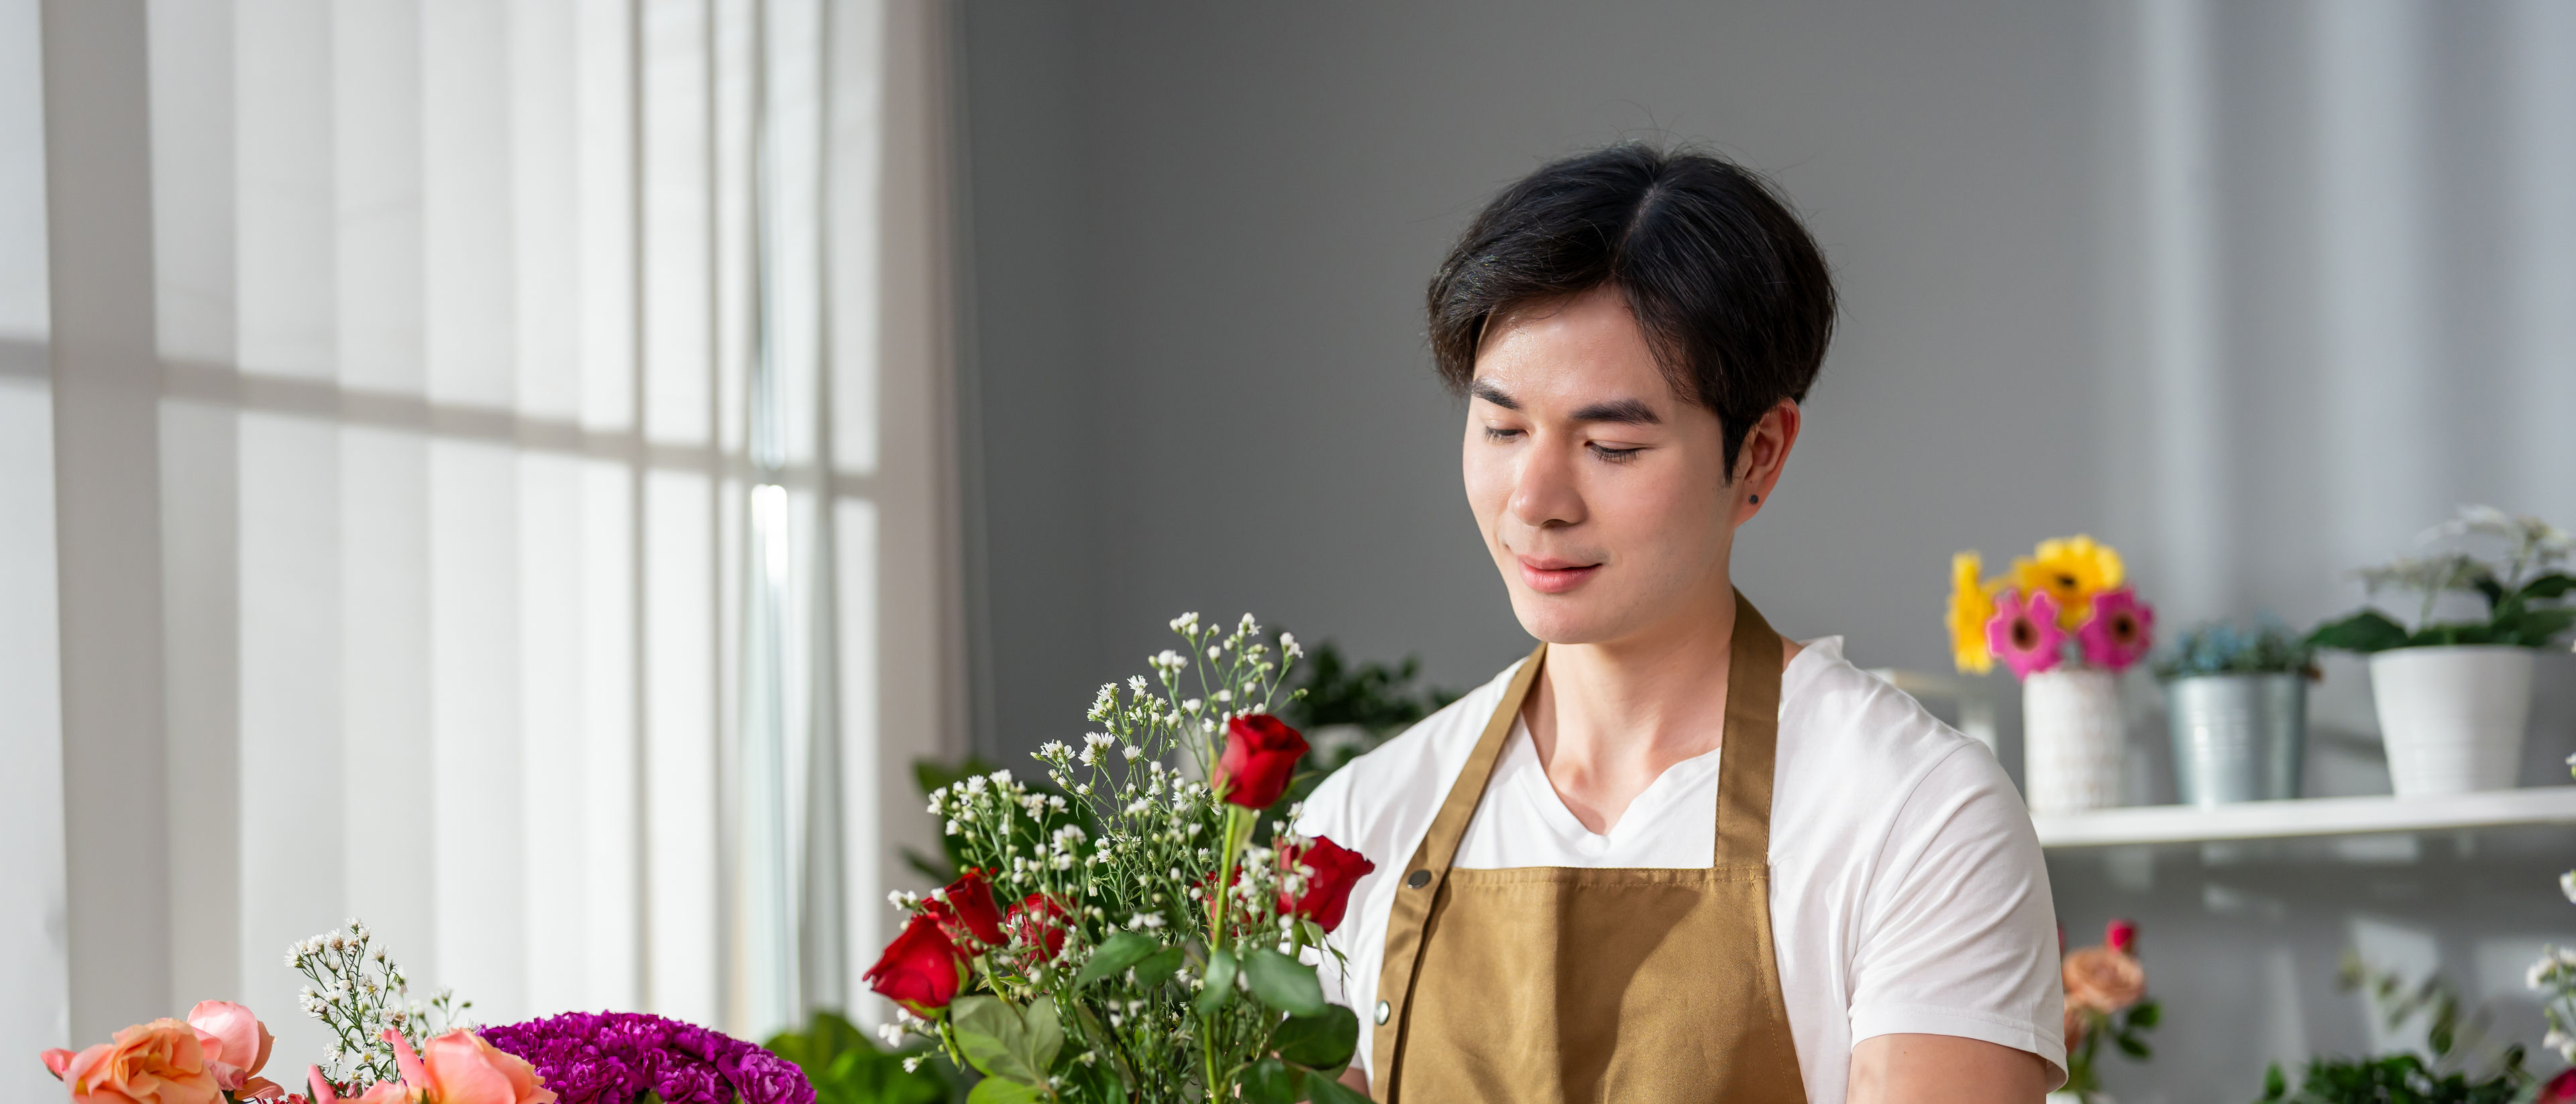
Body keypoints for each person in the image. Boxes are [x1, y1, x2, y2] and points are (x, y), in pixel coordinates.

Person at [1296, 144, 2064, 1103]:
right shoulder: (1356, 827)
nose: (1534, 500)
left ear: (1760, 455)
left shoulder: (1918, 818)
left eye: (1611, 445)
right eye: (1501, 428)